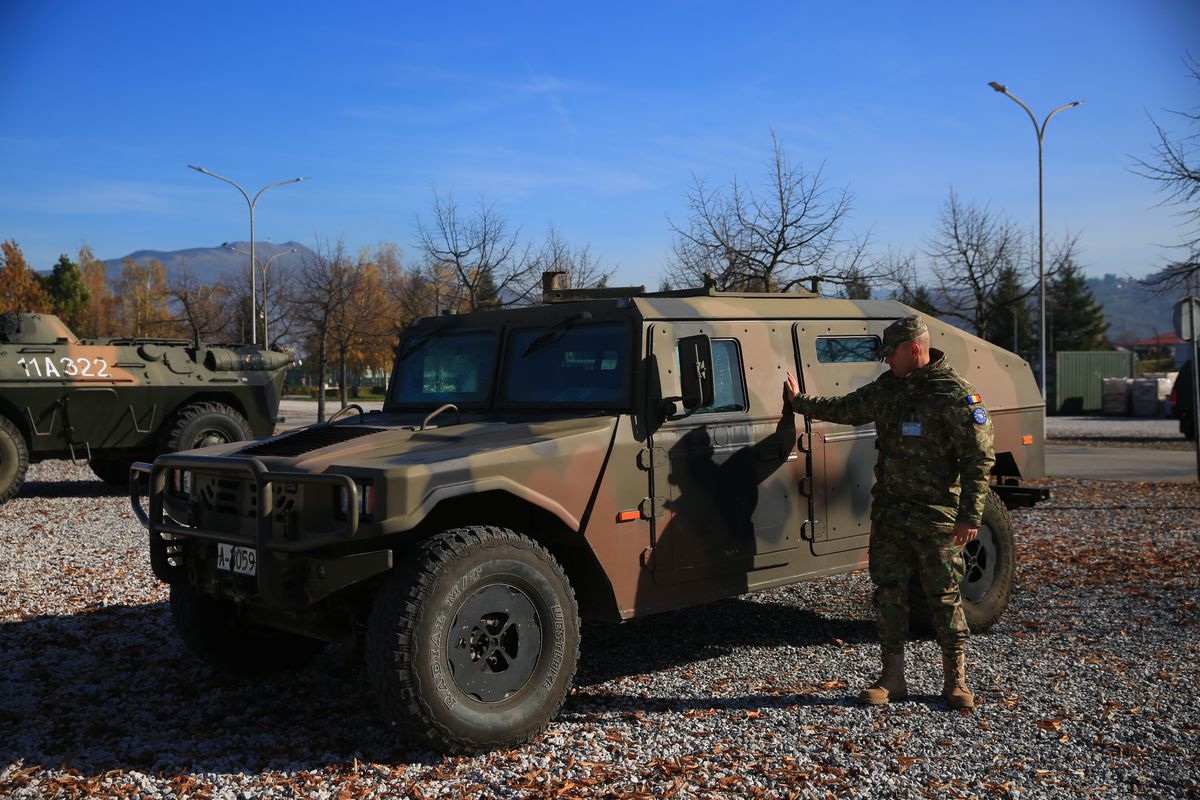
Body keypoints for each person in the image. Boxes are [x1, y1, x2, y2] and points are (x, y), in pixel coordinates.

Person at [783, 316, 994, 709]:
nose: (886, 362)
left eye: (891, 354)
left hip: (937, 516)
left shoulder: (954, 394)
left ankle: (956, 681)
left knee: (943, 596)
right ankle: (892, 678)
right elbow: (848, 407)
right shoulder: (889, 387)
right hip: (891, 514)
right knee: (889, 593)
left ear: (913, 349)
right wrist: (800, 403)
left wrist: (970, 516)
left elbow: (978, 459)